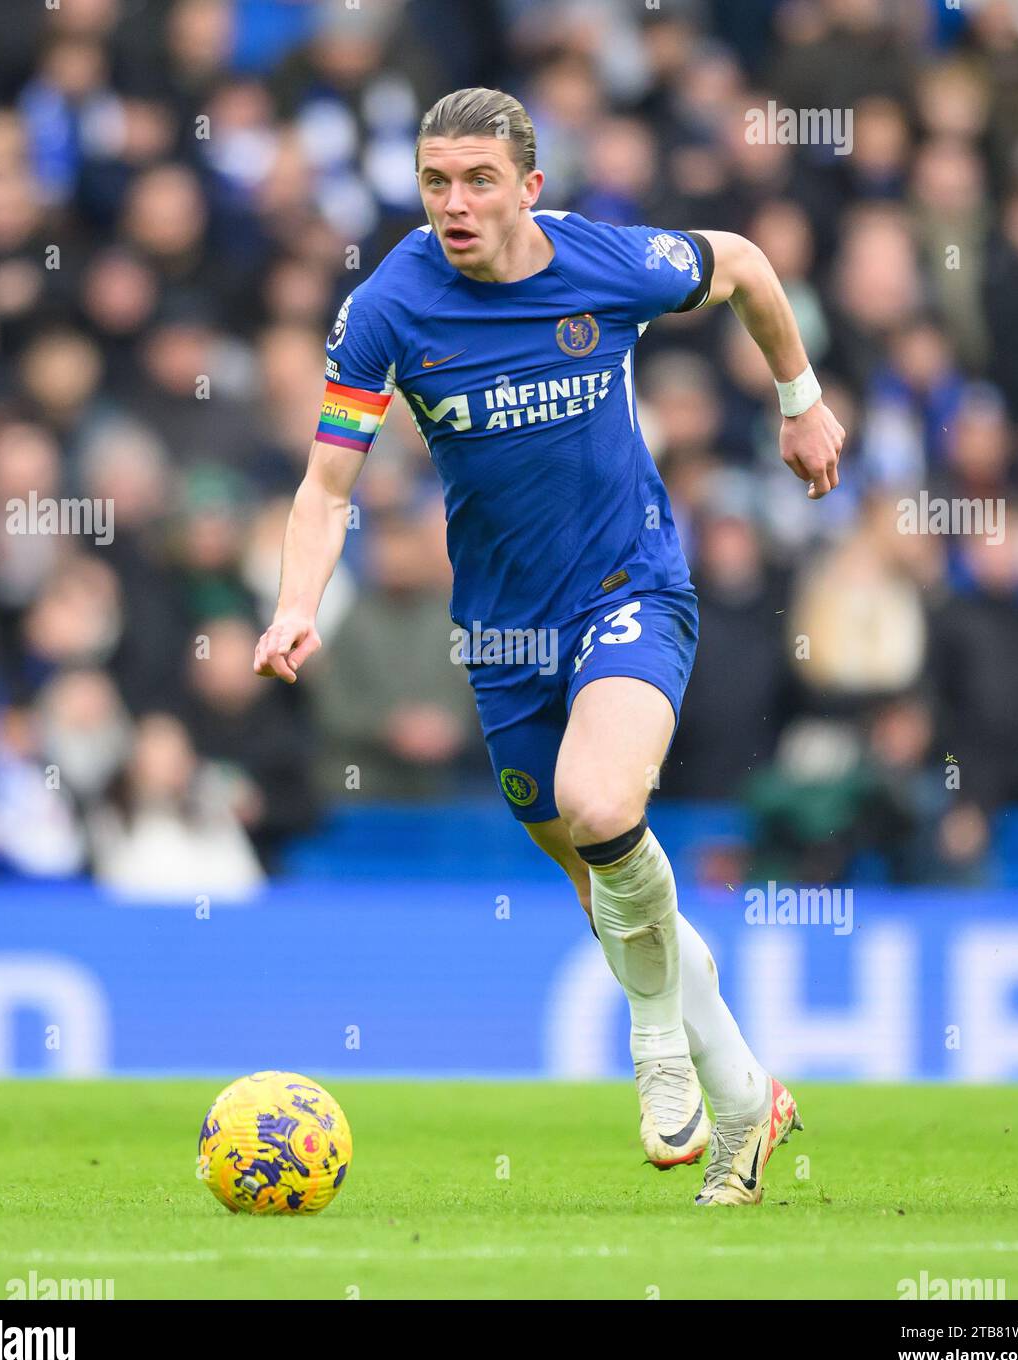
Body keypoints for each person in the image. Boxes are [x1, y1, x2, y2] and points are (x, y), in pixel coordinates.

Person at [254, 88, 845, 1207]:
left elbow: (750, 266)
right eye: (435, 182)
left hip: (631, 586)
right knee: (602, 886)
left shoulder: (610, 264)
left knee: (601, 803)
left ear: (530, 186)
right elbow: (328, 486)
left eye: (479, 181)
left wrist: (798, 400)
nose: (454, 204)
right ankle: (745, 1099)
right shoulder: (388, 307)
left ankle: (656, 1040)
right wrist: (296, 605)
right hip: (501, 632)